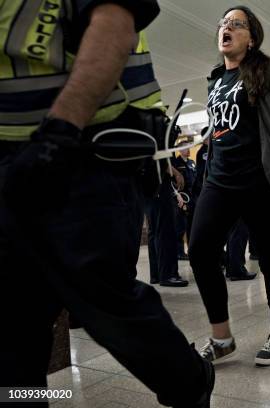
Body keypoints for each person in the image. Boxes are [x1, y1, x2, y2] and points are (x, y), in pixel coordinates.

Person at [0, 2, 214, 407]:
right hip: (10, 164)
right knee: (12, 327)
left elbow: (115, 24)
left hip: (79, 151)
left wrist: (59, 132)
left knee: (107, 308)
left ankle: (189, 383)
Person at [189, 5, 270, 367]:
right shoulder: (215, 78)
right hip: (219, 181)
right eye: (223, 24)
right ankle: (222, 339)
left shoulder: (266, 71)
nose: (226, 28)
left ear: (251, 38)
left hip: (259, 182)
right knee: (202, 250)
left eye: (236, 24)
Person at [172, 141, 197, 260]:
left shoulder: (192, 163)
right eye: (185, 148)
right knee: (180, 226)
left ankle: (192, 250)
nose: (188, 150)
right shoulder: (176, 163)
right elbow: (173, 182)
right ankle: (179, 252)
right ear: (180, 150)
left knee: (191, 226)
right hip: (181, 197)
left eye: (189, 148)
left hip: (192, 198)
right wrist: (178, 195)